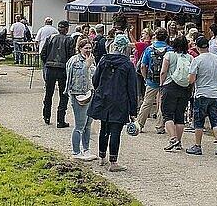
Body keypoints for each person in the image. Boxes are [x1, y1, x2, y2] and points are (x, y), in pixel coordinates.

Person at [87, 34, 137, 172]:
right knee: (115, 131)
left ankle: (102, 157)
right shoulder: (127, 64)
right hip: (120, 101)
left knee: (104, 128)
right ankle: (113, 162)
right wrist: (133, 111)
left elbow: (95, 80)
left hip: (103, 98)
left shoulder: (104, 60)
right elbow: (132, 89)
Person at [185, 36, 217, 157]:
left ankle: (197, 146)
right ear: (208, 46)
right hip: (214, 94)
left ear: (198, 47)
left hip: (201, 94)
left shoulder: (197, 60)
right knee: (215, 120)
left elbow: (191, 79)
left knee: (199, 121)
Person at [65, 38, 97, 160]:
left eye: (90, 48)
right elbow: (72, 78)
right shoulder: (74, 61)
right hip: (79, 95)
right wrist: (87, 66)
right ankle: (76, 151)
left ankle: (86, 149)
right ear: (80, 48)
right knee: (80, 125)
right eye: (86, 48)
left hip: (91, 93)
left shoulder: (92, 59)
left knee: (88, 124)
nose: (88, 50)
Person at [160, 34, 193, 151]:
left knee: (167, 114)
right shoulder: (190, 58)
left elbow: (163, 72)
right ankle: (179, 142)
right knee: (180, 116)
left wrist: (161, 84)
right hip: (184, 88)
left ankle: (173, 138)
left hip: (170, 86)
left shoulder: (169, 55)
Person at [137, 27, 171, 133]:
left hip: (151, 80)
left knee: (147, 102)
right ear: (166, 37)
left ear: (155, 37)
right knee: (163, 103)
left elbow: (143, 66)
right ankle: (160, 127)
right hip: (165, 80)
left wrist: (145, 77)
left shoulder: (149, 49)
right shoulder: (170, 50)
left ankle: (139, 125)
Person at [41, 20, 74, 127]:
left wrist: (47, 62)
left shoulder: (50, 38)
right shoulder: (69, 40)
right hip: (63, 69)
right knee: (63, 94)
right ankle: (60, 120)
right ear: (66, 28)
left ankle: (46, 116)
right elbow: (71, 56)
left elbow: (43, 54)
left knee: (49, 93)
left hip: (50, 67)